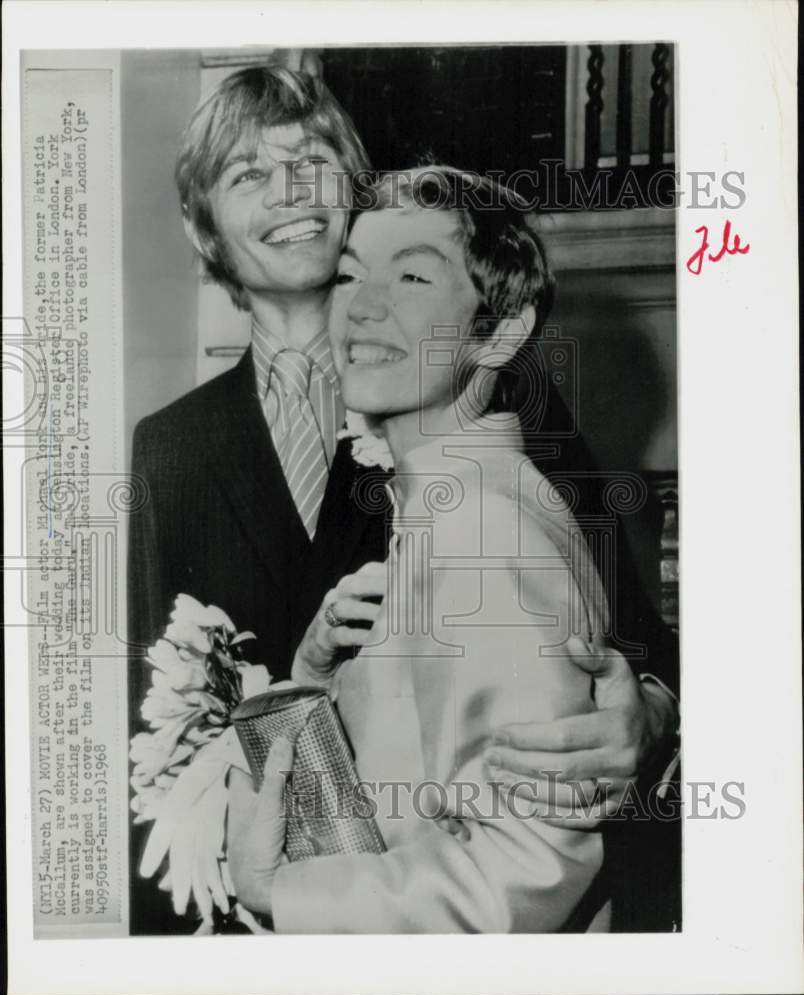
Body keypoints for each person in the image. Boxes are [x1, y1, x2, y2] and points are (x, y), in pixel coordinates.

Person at [128, 66, 679, 931]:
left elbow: (627, 633)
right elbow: (148, 728)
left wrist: (644, 713)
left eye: (311, 164)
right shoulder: (168, 447)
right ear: (205, 232)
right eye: (246, 174)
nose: (287, 194)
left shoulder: (503, 402)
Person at [227, 166, 620, 931]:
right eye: (348, 275)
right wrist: (317, 676)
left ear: (502, 330)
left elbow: (525, 868)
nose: (362, 308)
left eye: (410, 276)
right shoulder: (442, 503)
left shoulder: (483, 529)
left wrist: (282, 895)